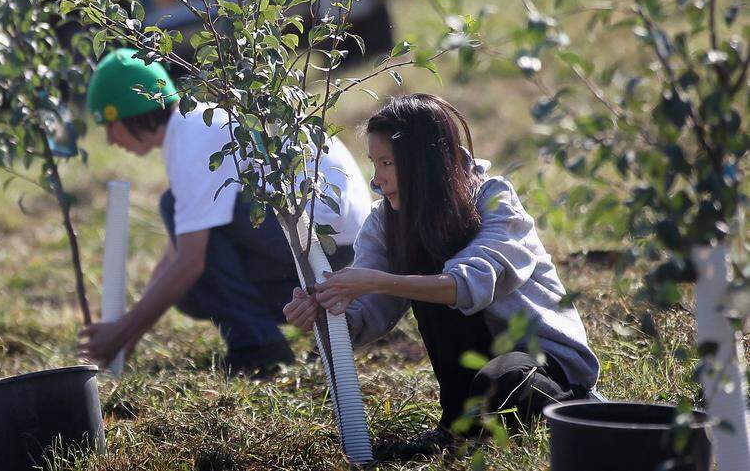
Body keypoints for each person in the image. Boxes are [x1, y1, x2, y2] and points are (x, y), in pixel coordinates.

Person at [283, 93, 599, 459]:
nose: (377, 180)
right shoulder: (385, 220)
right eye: (374, 163)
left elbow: (470, 283)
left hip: (542, 363)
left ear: (425, 162)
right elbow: (372, 309)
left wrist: (375, 280)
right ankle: (457, 427)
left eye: (387, 163)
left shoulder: (494, 199)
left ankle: (576, 410)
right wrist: (326, 314)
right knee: (432, 293)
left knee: (504, 381)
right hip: (477, 368)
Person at [78, 49, 374, 373]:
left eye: (109, 125)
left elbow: (190, 261)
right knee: (187, 286)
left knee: (177, 224)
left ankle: (260, 350)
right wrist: (128, 332)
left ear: (129, 112)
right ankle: (319, 319)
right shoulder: (200, 121)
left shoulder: (192, 135)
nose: (109, 139)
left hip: (328, 250)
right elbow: (175, 252)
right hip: (340, 250)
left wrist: (120, 332)